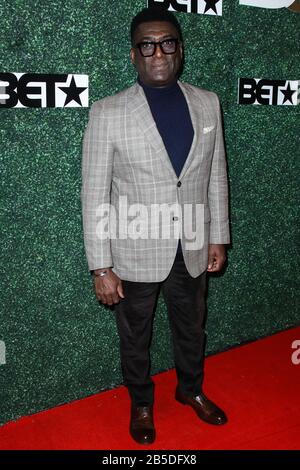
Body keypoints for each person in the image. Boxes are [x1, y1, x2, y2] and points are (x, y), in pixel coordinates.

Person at [81, 6, 230, 445]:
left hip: (194, 242)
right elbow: (94, 194)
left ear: (179, 49)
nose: (158, 52)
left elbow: (215, 173)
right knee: (135, 334)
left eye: (167, 42)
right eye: (147, 44)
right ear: (134, 54)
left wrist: (218, 233)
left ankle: (191, 391)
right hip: (133, 250)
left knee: (192, 326)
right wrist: (100, 266)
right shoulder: (108, 111)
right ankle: (141, 401)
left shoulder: (208, 102)